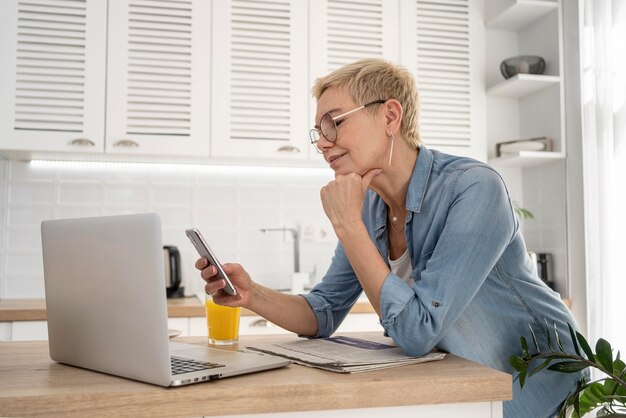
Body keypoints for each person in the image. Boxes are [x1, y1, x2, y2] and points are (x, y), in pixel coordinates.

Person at [196, 58, 582, 417]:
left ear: (390, 116)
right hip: (471, 387)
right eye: (318, 131)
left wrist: (348, 226)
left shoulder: (474, 188)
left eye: (334, 122)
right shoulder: (370, 207)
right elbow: (323, 312)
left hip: (545, 388)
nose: (323, 142)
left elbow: (418, 331)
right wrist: (252, 295)